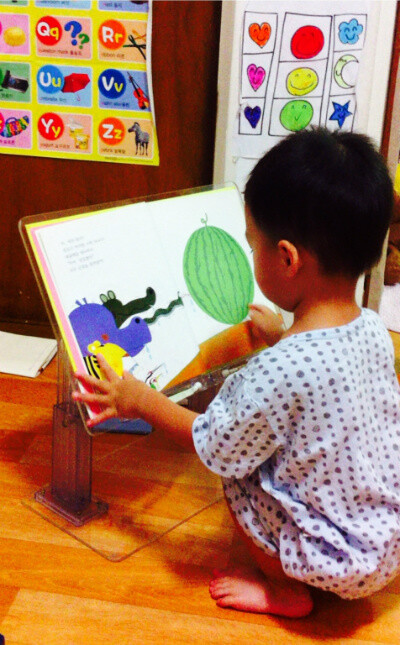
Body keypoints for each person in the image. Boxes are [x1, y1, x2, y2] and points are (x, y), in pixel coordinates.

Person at [73, 127, 400, 618]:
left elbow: (214, 444)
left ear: (286, 258)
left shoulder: (276, 371)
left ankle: (286, 591)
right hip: (384, 542)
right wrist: (280, 336)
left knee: (238, 475)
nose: (250, 256)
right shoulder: (372, 329)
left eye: (252, 246)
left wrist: (139, 400)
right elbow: (319, 386)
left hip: (332, 559)